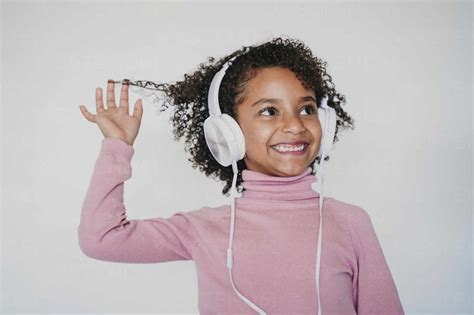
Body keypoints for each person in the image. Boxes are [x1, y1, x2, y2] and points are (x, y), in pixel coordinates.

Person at [78, 36, 404, 314]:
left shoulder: (350, 223)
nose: (295, 125)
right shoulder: (203, 229)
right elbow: (101, 240)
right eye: (269, 111)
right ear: (227, 132)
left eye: (306, 109)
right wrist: (117, 146)